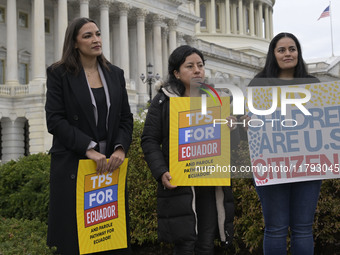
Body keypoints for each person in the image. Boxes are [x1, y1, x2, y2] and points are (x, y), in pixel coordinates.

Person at [45, 17, 133, 254]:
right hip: (74, 164)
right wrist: (88, 148)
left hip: (109, 168)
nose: (96, 40)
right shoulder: (59, 74)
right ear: (74, 43)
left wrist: (120, 148)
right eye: (87, 36)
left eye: (98, 34)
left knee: (109, 236)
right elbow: (54, 120)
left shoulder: (115, 74)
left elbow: (125, 118)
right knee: (75, 241)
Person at [141, 45, 240, 254]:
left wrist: (232, 129)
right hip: (180, 185)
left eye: (200, 65)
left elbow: (230, 147)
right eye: (190, 66)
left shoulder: (216, 100)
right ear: (176, 73)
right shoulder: (163, 101)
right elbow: (149, 140)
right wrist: (160, 172)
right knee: (185, 245)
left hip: (210, 186)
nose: (197, 70)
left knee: (206, 245)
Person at [246, 32, 322, 255]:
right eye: (282, 50)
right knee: (276, 228)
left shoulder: (313, 84)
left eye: (292, 49)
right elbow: (245, 122)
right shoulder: (259, 84)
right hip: (271, 163)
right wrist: (245, 121)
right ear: (273, 54)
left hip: (308, 164)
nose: (288, 54)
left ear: (298, 52)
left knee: (303, 229)